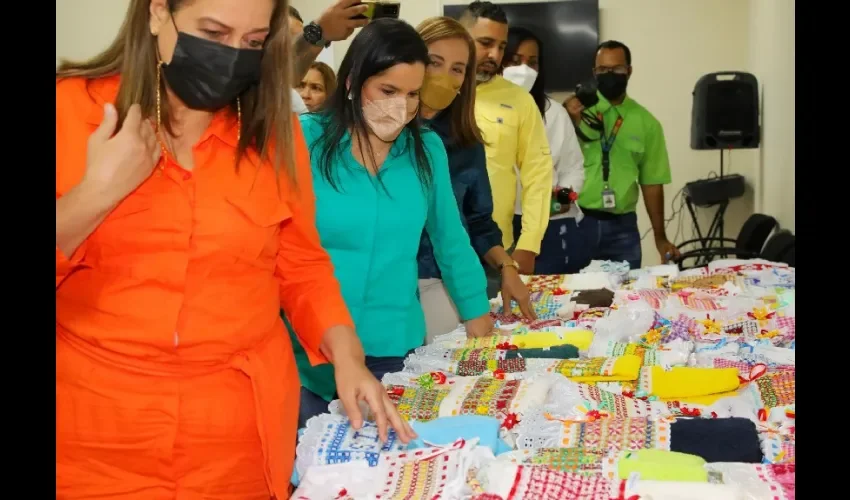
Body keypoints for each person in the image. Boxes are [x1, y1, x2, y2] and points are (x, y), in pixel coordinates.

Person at [55, 1, 414, 498]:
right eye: (213, 32)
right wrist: (95, 193)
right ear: (158, 13)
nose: (230, 58)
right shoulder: (71, 109)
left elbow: (302, 266)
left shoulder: (274, 131)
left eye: (251, 43)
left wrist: (348, 357)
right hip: (94, 435)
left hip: (239, 437)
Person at [290, 19, 494, 427]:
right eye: (388, 91)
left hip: (392, 348)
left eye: (412, 94)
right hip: (309, 350)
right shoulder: (305, 139)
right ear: (352, 80)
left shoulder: (426, 150)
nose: (401, 106)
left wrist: (479, 323)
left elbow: (450, 241)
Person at [415, 17, 535, 342]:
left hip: (445, 282)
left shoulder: (466, 143)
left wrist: (506, 265)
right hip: (380, 287)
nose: (443, 77)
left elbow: (477, 221)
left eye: (457, 68)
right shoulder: (381, 135)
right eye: (433, 63)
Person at [564, 40, 680, 269]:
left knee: (627, 296)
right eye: (602, 70)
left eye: (616, 69)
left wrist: (660, 237)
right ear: (593, 73)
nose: (609, 75)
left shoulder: (647, 123)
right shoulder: (575, 111)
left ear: (629, 71)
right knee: (574, 294)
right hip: (577, 221)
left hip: (623, 229)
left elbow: (652, 183)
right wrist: (567, 119)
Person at [459, 1, 553, 280]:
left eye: (501, 47)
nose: (494, 54)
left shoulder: (519, 100)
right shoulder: (433, 92)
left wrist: (529, 243)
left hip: (496, 249)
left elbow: (538, 173)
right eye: (485, 43)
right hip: (433, 249)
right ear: (461, 38)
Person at [502, 26, 586, 275]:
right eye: (515, 61)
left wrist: (562, 199)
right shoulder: (480, 110)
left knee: (550, 301)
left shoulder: (555, 113)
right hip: (499, 227)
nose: (524, 70)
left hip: (549, 224)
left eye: (533, 62)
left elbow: (574, 169)